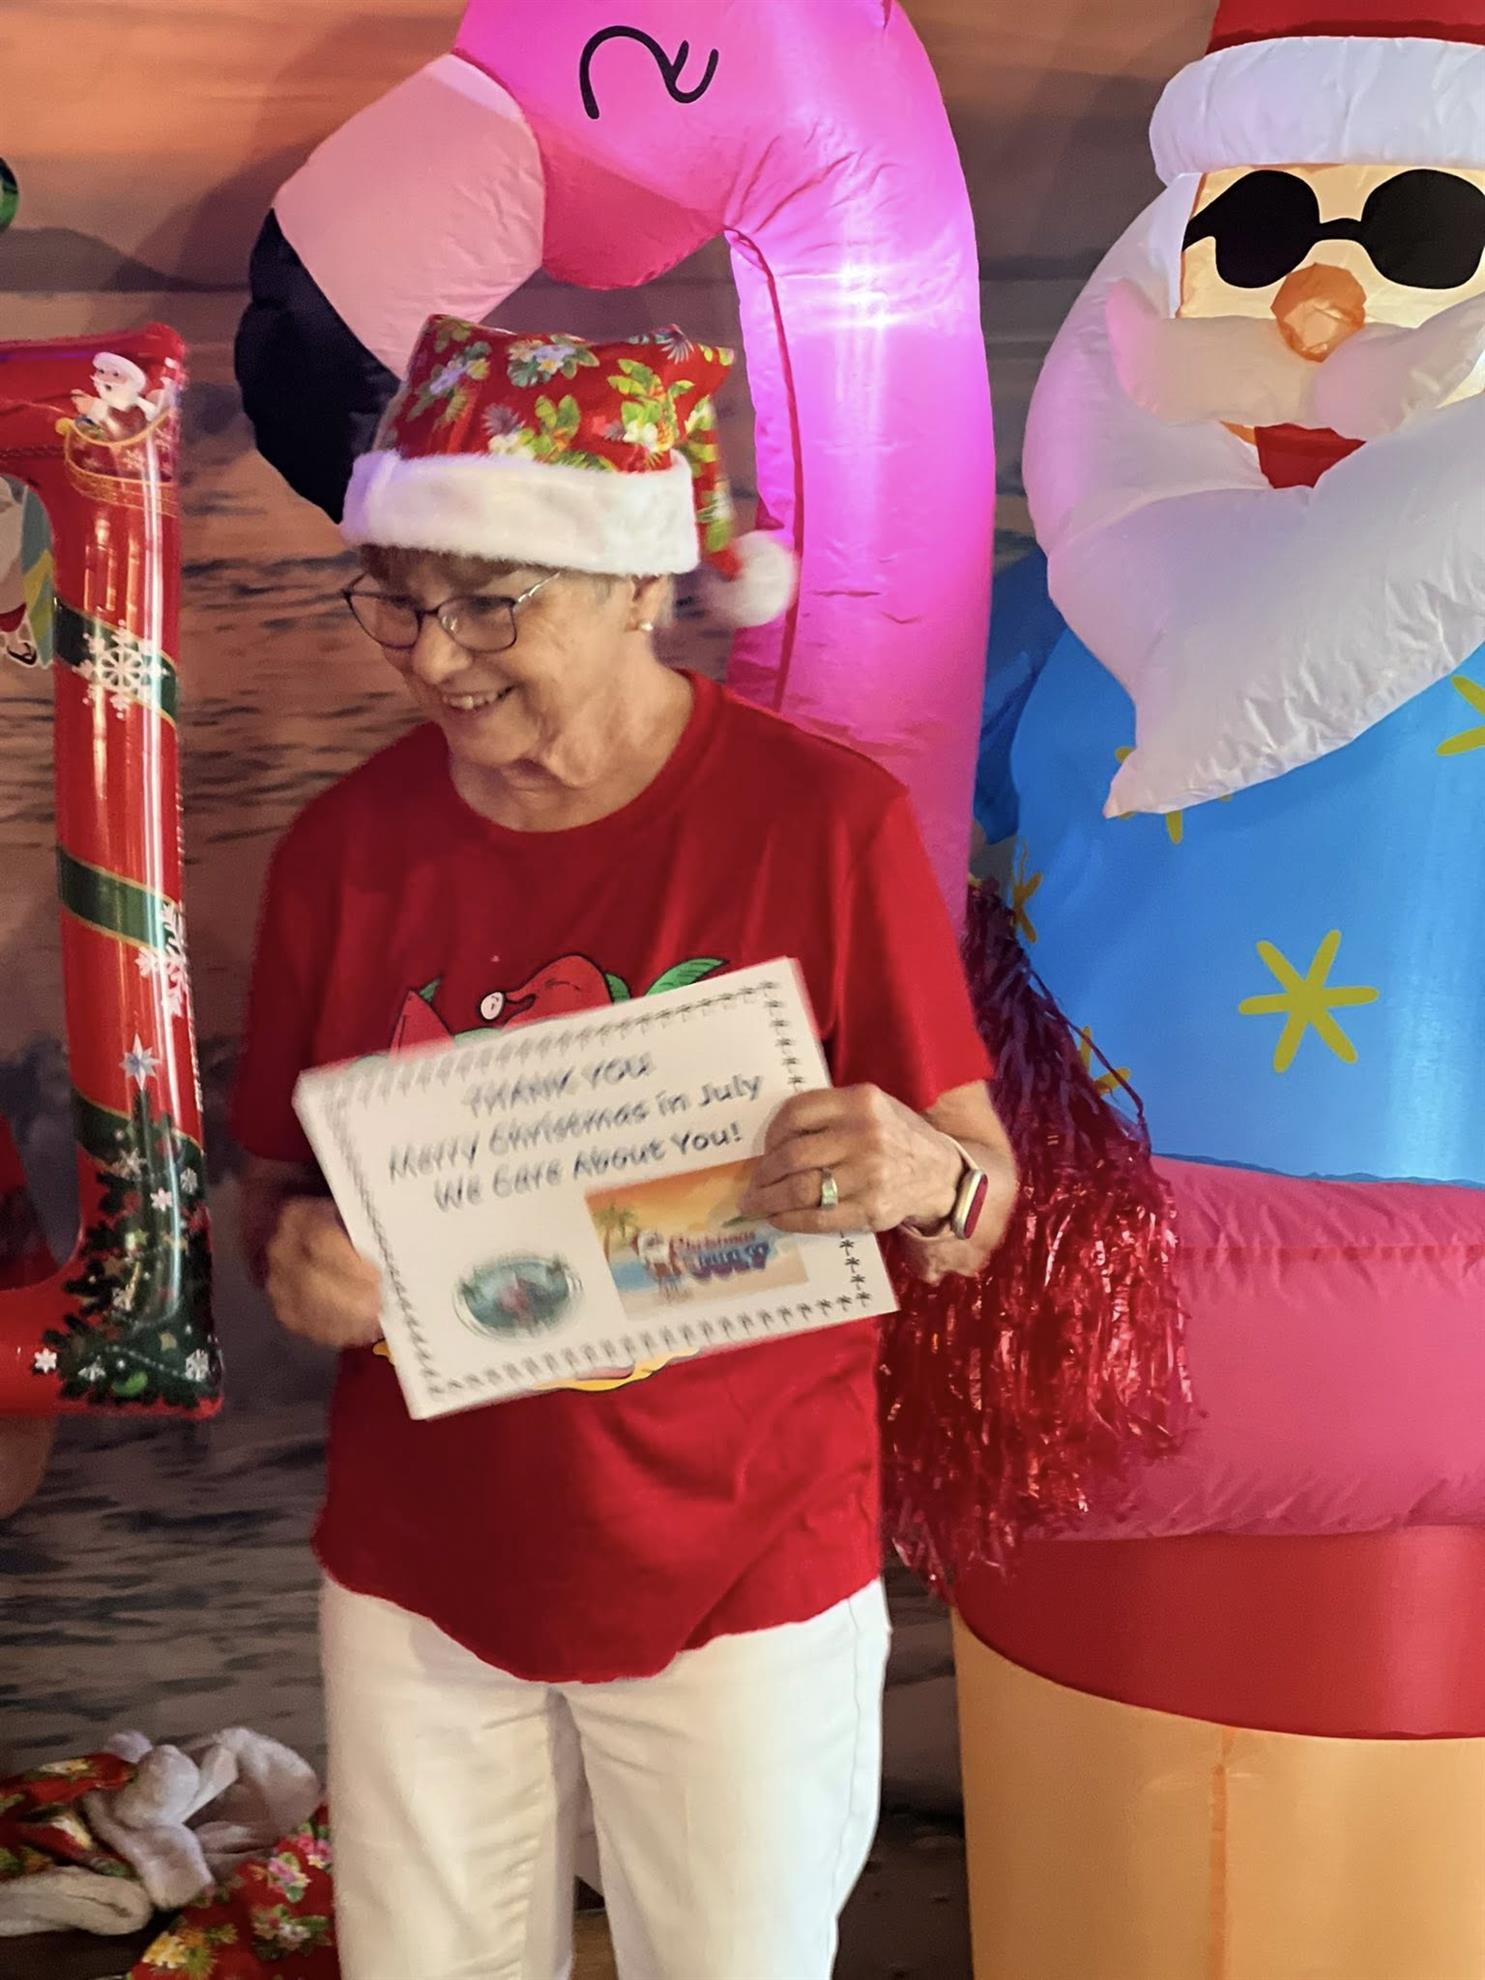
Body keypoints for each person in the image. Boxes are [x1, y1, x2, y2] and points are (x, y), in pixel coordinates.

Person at [233, 316, 1016, 1980]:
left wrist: (921, 1176)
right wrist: (297, 1264)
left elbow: (971, 1201)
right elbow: (275, 1196)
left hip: (745, 1556)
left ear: (641, 584)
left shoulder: (822, 826)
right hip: (424, 1564)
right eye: (395, 599)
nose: (432, 657)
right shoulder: (340, 853)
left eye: (488, 602)